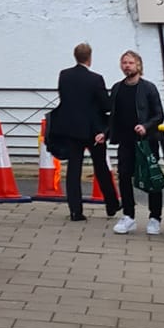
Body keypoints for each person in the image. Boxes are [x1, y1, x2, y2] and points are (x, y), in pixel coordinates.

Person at [49, 42, 117, 220]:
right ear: (90, 58)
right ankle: (111, 204)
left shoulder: (64, 76)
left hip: (71, 129)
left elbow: (65, 99)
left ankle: (75, 210)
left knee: (73, 169)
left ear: (75, 56)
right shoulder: (96, 79)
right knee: (101, 167)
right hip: (93, 130)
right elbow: (105, 105)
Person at [110, 50, 164, 235]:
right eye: (124, 62)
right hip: (125, 141)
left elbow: (159, 115)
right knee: (124, 176)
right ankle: (128, 216)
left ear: (138, 65)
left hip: (146, 141)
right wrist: (105, 133)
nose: (127, 66)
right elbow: (113, 116)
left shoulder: (148, 88)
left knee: (151, 177)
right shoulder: (117, 88)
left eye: (130, 63)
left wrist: (146, 126)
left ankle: (155, 218)